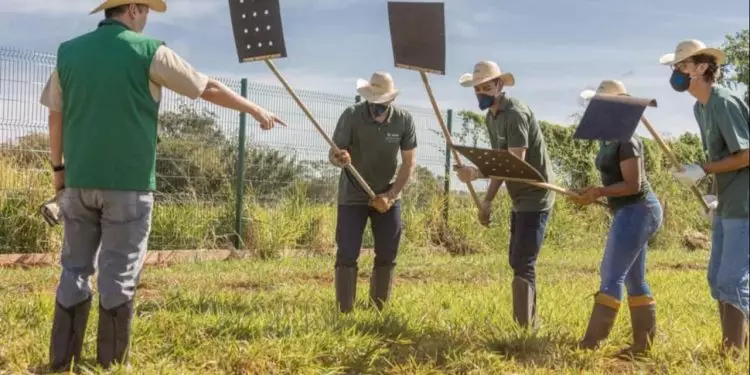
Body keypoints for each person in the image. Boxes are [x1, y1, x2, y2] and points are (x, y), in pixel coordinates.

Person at [39, 1, 286, 371]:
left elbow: (55, 119)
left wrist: (59, 171)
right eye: (147, 10)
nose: (147, 18)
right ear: (135, 9)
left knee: (74, 268)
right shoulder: (150, 52)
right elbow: (207, 88)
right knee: (118, 274)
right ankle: (110, 366)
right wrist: (253, 109)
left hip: (77, 183)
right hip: (129, 186)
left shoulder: (69, 53)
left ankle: (61, 363)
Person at [659, 39, 749, 355]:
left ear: (701, 68)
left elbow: (746, 154)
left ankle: (732, 355)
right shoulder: (701, 107)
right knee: (716, 279)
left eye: (682, 66)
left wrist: (703, 169)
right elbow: (721, 158)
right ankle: (736, 346)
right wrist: (714, 198)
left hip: (745, 203)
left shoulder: (724, 102)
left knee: (732, 280)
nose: (676, 72)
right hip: (728, 202)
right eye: (675, 67)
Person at [454, 61, 556, 328]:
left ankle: (525, 328)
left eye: (486, 86)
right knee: (516, 259)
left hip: (536, 192)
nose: (480, 92)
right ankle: (528, 322)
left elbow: (514, 162)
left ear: (499, 85)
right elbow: (501, 166)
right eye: (477, 88)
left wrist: (476, 173)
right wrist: (487, 200)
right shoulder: (492, 118)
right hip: (517, 194)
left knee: (523, 261)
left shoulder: (515, 114)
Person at [569, 80, 664, 357]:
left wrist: (599, 191)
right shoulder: (609, 138)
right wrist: (593, 193)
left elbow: (633, 185)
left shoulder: (627, 140)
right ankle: (642, 346)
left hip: (639, 208)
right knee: (634, 279)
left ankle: (590, 345)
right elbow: (615, 184)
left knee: (611, 274)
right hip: (630, 209)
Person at [329, 71, 417, 313]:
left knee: (388, 251)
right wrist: (341, 158)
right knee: (347, 251)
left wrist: (391, 195)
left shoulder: (404, 121)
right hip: (353, 194)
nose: (377, 107)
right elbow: (333, 155)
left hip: (387, 195)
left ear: (391, 101)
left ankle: (378, 309)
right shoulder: (351, 116)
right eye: (373, 102)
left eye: (382, 103)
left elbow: (409, 163)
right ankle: (344, 310)